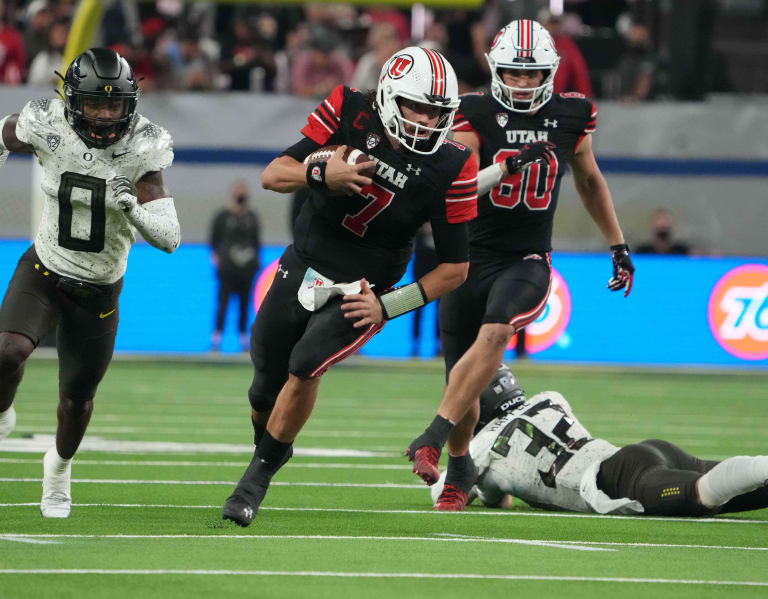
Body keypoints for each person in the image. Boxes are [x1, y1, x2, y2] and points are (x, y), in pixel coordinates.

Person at [221, 46, 479, 527]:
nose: (426, 120)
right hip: (303, 262)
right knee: (263, 387)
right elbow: (273, 175)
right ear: (387, 97)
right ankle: (273, 449)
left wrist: (388, 305)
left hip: (365, 287)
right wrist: (321, 173)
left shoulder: (453, 163)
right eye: (416, 106)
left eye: (437, 111)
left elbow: (455, 267)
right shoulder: (348, 109)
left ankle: (252, 484)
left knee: (305, 365)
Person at [405, 19, 635, 511]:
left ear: (550, 73)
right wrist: (507, 165)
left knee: (495, 334)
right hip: (468, 257)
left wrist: (617, 244)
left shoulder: (573, 114)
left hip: (527, 256)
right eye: (514, 73)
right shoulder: (473, 111)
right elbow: (459, 188)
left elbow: (590, 182)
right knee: (461, 383)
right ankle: (464, 466)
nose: (524, 83)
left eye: (533, 75)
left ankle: (431, 437)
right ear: (496, 70)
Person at [0, 48, 179, 518]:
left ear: (131, 103)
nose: (104, 115)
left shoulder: (144, 145)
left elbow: (171, 238)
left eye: (114, 104)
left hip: (99, 286)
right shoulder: (46, 120)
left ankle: (58, 469)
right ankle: (2, 412)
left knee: (76, 401)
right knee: (6, 350)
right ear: (73, 101)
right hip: (44, 266)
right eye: (95, 104)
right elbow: (5, 131)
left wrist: (134, 210)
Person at [430, 365, 768, 517]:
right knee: (734, 495)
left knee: (702, 496)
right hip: (641, 453)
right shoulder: (550, 397)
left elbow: (448, 492)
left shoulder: (481, 446)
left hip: (613, 479)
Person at [210, 181, 261, 352]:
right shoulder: (222, 217)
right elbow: (213, 243)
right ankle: (216, 341)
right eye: (238, 191)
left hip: (246, 271)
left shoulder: (252, 218)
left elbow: (256, 244)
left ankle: (244, 342)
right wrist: (217, 262)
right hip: (227, 270)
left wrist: (255, 264)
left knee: (244, 306)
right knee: (223, 304)